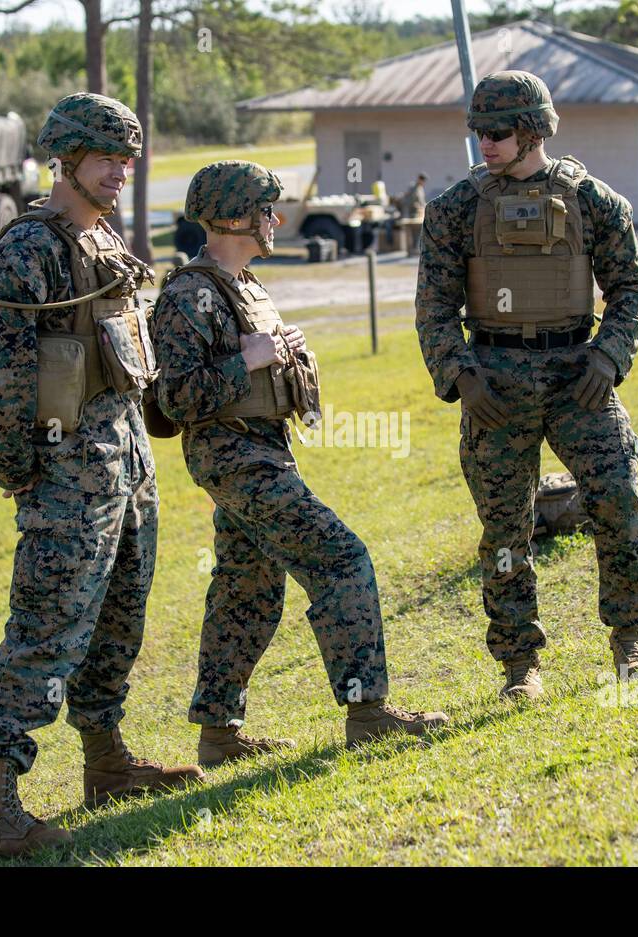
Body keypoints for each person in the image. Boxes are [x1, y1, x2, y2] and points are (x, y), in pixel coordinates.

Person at [0, 92, 203, 857]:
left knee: (118, 621)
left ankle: (107, 763)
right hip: (66, 479)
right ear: (65, 159)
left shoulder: (101, 242)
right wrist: (19, 471)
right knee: (44, 631)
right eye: (108, 159)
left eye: (128, 159)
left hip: (125, 467)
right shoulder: (28, 251)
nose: (121, 171)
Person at [150, 160, 449, 762]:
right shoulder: (189, 295)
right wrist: (252, 359)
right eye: (265, 210)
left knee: (248, 587)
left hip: (261, 449)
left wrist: (285, 359)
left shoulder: (244, 286)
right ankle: (368, 712)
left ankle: (218, 735)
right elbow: (176, 398)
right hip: (234, 456)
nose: (275, 220)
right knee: (341, 559)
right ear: (235, 215)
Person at [415, 71, 638, 700]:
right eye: (478, 132)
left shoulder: (593, 201)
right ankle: (521, 665)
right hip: (494, 385)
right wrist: (461, 376)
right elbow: (434, 308)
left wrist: (608, 356)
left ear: (533, 132)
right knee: (504, 532)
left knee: (619, 501)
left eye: (497, 132)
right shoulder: (454, 210)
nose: (485, 144)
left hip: (579, 375)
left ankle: (630, 642)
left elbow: (630, 288)